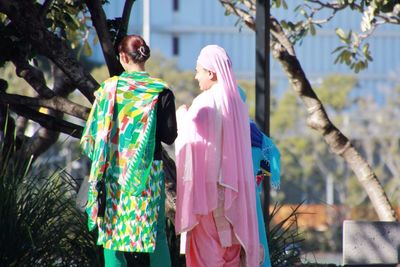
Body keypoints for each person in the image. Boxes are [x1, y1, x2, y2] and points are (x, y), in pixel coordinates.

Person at [80, 34, 177, 267]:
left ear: (123, 57)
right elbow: (169, 136)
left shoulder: (108, 90)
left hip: (113, 172)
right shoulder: (160, 91)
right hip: (146, 175)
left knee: (111, 237)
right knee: (157, 237)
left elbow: (93, 135)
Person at [175, 45, 259, 267]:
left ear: (211, 73)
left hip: (207, 196)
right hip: (234, 196)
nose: (196, 76)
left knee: (206, 257)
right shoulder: (238, 105)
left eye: (198, 70)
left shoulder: (205, 102)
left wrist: (181, 117)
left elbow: (190, 142)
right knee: (230, 256)